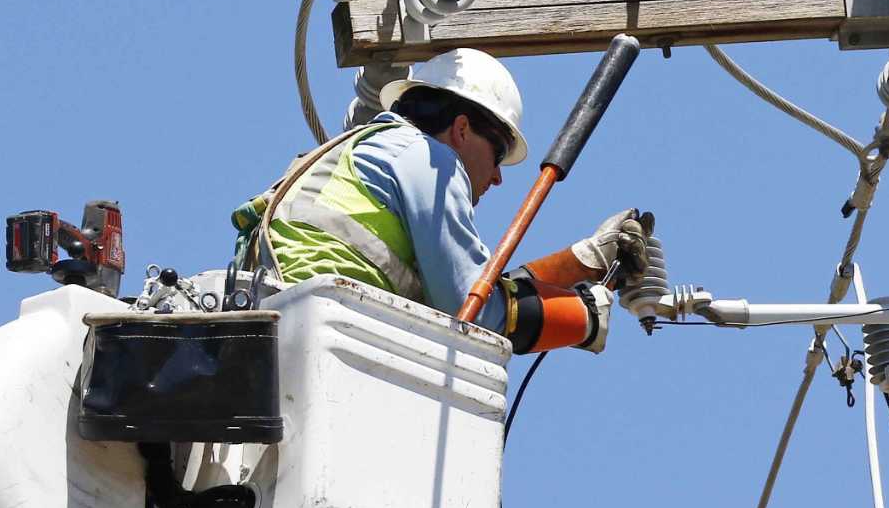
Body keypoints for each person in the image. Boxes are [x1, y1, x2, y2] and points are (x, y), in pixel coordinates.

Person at [232, 48, 644, 353]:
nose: (498, 177)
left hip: (279, 336)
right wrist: (582, 319)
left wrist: (581, 262)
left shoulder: (365, 150)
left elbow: (478, 290)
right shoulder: (428, 158)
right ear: (462, 129)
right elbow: (476, 313)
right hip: (328, 337)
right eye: (498, 153)